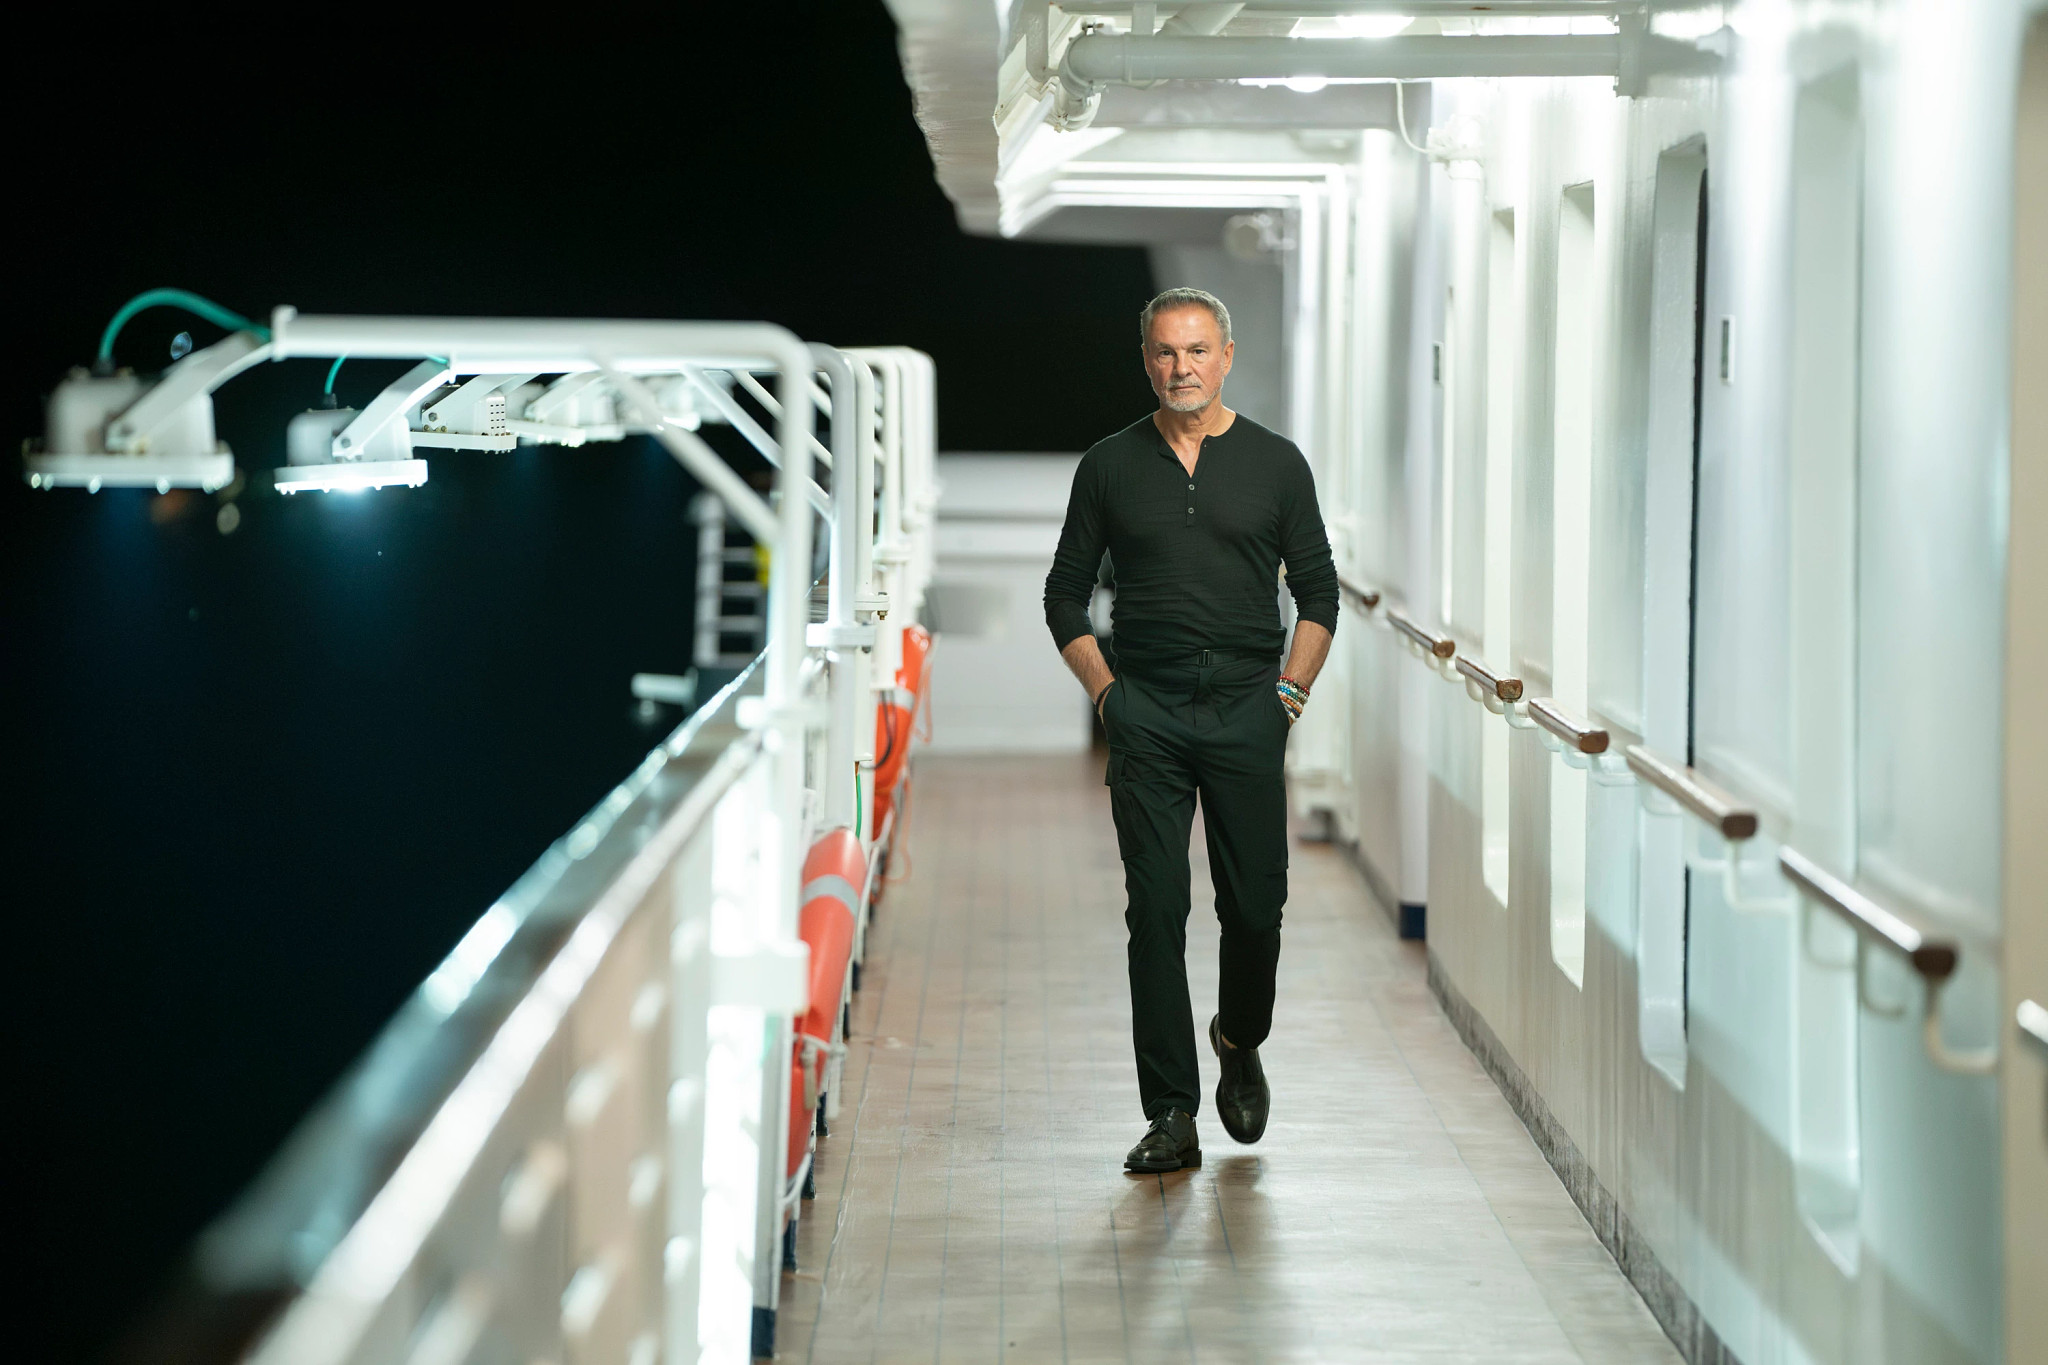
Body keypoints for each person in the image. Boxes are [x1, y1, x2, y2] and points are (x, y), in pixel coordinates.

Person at [1043, 287, 1338, 1174]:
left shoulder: (1276, 464)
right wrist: (1108, 696)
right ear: (1147, 361)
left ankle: (1239, 1037)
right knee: (1157, 909)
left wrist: (1287, 698)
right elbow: (1065, 594)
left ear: (1227, 356)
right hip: (1150, 712)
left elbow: (1317, 593)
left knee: (1254, 908)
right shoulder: (1108, 465)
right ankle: (1170, 1111)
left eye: (1199, 351)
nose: (1183, 368)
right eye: (1167, 353)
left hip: (1250, 705)